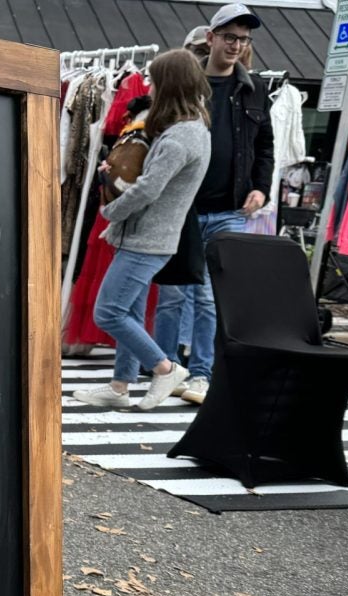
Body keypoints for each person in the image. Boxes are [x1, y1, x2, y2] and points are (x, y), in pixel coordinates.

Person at [149, 3, 274, 406]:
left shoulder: (254, 89)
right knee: (172, 295)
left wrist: (262, 187)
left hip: (230, 210)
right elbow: (156, 127)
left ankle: (201, 373)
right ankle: (164, 368)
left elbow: (265, 146)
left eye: (244, 39)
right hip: (181, 209)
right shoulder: (188, 86)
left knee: (208, 297)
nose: (237, 45)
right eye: (230, 37)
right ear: (211, 38)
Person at [73, 50, 212, 411]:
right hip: (148, 235)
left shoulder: (182, 135)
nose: (149, 85)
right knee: (129, 312)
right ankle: (120, 386)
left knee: (109, 312)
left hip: (147, 238)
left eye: (155, 80)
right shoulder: (189, 129)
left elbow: (150, 188)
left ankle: (164, 368)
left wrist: (111, 211)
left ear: (170, 84)